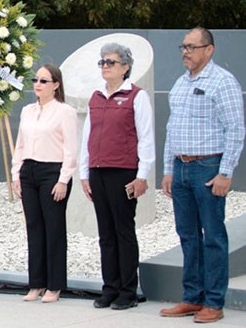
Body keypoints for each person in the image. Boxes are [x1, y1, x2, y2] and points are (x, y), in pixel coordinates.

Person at [159, 27, 244, 323]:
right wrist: (169, 169)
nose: (186, 51)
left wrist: (225, 172)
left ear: (209, 50)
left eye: (192, 47)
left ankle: (214, 302)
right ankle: (191, 297)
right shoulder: (181, 84)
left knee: (213, 237)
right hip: (181, 168)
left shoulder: (222, 82)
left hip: (208, 168)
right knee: (187, 235)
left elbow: (236, 129)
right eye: (183, 46)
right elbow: (172, 129)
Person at [79, 43, 155, 310]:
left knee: (123, 231)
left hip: (123, 171)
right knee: (105, 234)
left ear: (125, 67)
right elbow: (87, 136)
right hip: (98, 172)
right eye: (102, 62)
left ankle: (127, 291)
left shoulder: (136, 96)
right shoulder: (96, 97)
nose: (105, 67)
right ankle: (109, 287)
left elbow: (146, 138)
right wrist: (84, 173)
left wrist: (142, 175)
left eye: (111, 62)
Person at [11, 64, 78, 303]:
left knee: (54, 228)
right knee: (34, 227)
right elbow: (20, 144)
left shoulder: (64, 111)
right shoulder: (28, 111)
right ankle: (36, 282)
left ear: (56, 85)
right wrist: (16, 174)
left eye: (43, 81)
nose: (38, 85)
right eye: (35, 80)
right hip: (29, 170)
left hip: (53, 171)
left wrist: (63, 180)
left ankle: (55, 284)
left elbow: (71, 149)